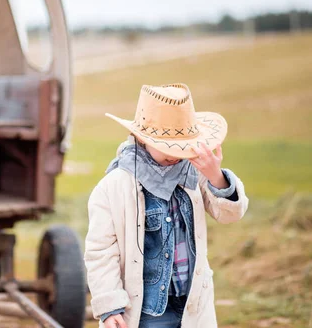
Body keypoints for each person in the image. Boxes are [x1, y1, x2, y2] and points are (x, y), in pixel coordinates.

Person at [84, 83, 249, 328]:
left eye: (181, 144)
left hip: (193, 304)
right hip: (146, 313)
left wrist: (216, 176)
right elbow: (101, 251)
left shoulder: (195, 173)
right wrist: (109, 306)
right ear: (141, 138)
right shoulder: (115, 186)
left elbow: (230, 214)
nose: (174, 154)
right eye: (165, 145)